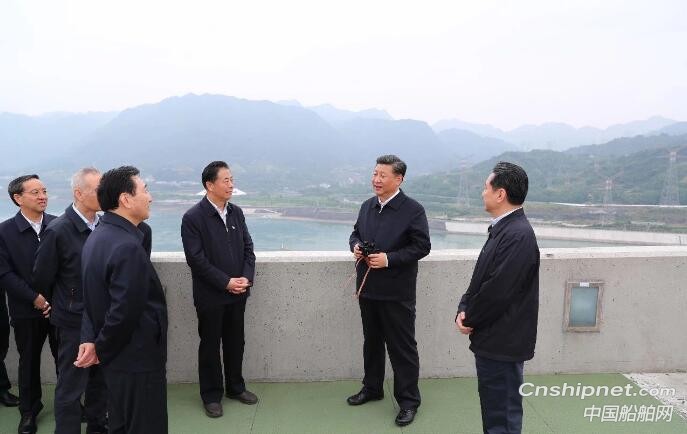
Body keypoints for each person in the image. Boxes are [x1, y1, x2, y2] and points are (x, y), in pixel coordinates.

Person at [80, 166, 168, 434]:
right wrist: (101, 347)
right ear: (126, 199)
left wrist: (95, 343)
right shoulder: (127, 246)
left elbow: (93, 298)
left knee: (120, 423)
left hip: (117, 361)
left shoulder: (98, 237)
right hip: (136, 358)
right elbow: (124, 312)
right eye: (145, 190)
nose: (150, 197)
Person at [455, 162, 540, 434]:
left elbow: (497, 291)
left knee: (501, 414)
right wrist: (464, 306)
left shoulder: (518, 235)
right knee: (495, 410)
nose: (483, 193)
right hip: (495, 337)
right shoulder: (504, 229)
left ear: (500, 194)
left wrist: (471, 317)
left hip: (503, 340)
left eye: (485, 188)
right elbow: (481, 279)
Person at [347, 154, 431, 427]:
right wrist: (356, 247)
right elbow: (355, 234)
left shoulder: (413, 209)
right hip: (368, 287)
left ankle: (408, 401)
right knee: (371, 342)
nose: (376, 180)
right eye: (374, 174)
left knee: (402, 347)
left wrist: (389, 259)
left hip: (397, 292)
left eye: (383, 175)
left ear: (399, 179)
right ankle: (372, 388)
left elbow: (422, 246)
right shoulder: (367, 206)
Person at [33, 168, 108, 434]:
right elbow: (42, 277)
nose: (103, 194)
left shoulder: (104, 225)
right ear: (78, 193)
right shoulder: (59, 230)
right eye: (97, 189)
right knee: (71, 387)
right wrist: (69, 301)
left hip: (103, 319)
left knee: (101, 384)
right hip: (74, 322)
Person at [181, 160, 257, 418]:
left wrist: (245, 279)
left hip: (238, 293)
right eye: (226, 180)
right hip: (211, 296)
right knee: (211, 345)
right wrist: (225, 282)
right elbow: (196, 259)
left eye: (232, 179)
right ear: (209, 185)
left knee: (237, 342)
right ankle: (211, 395)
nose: (231, 185)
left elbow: (248, 248)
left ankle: (236, 387)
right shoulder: (193, 218)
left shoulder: (236, 212)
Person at [0, 174, 57, 434]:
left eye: (43, 190)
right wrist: (34, 298)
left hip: (60, 309)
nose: (42, 195)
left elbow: (71, 267)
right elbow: (5, 274)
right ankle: (29, 412)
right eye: (35, 192)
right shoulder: (4, 232)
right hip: (25, 309)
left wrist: (55, 299)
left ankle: (71, 405)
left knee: (66, 360)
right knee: (29, 363)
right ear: (18, 198)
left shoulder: (59, 225)